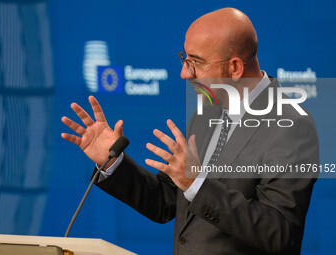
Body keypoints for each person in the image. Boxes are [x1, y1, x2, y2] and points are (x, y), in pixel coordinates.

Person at [61, 8, 319, 255]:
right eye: (185, 59)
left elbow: (280, 233)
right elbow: (166, 201)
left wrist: (197, 183)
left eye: (195, 62)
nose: (184, 73)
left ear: (235, 68)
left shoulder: (291, 125)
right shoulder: (208, 108)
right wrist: (114, 163)